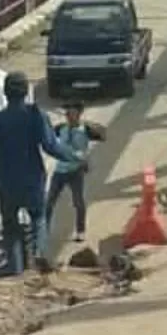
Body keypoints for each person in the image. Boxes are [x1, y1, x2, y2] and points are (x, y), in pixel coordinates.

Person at [0, 71, 85, 275]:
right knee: (38, 218)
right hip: (33, 180)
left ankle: (16, 271)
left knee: (11, 229)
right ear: (25, 92)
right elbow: (51, 146)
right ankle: (39, 254)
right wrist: (75, 158)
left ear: (6, 93)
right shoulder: (35, 115)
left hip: (7, 183)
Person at [47, 102, 106, 243]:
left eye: (71, 113)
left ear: (79, 114)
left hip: (75, 170)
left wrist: (90, 126)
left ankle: (81, 231)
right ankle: (44, 229)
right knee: (49, 201)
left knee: (78, 201)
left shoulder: (85, 129)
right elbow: (47, 136)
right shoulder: (61, 128)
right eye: (67, 114)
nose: (69, 117)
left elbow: (103, 135)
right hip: (60, 170)